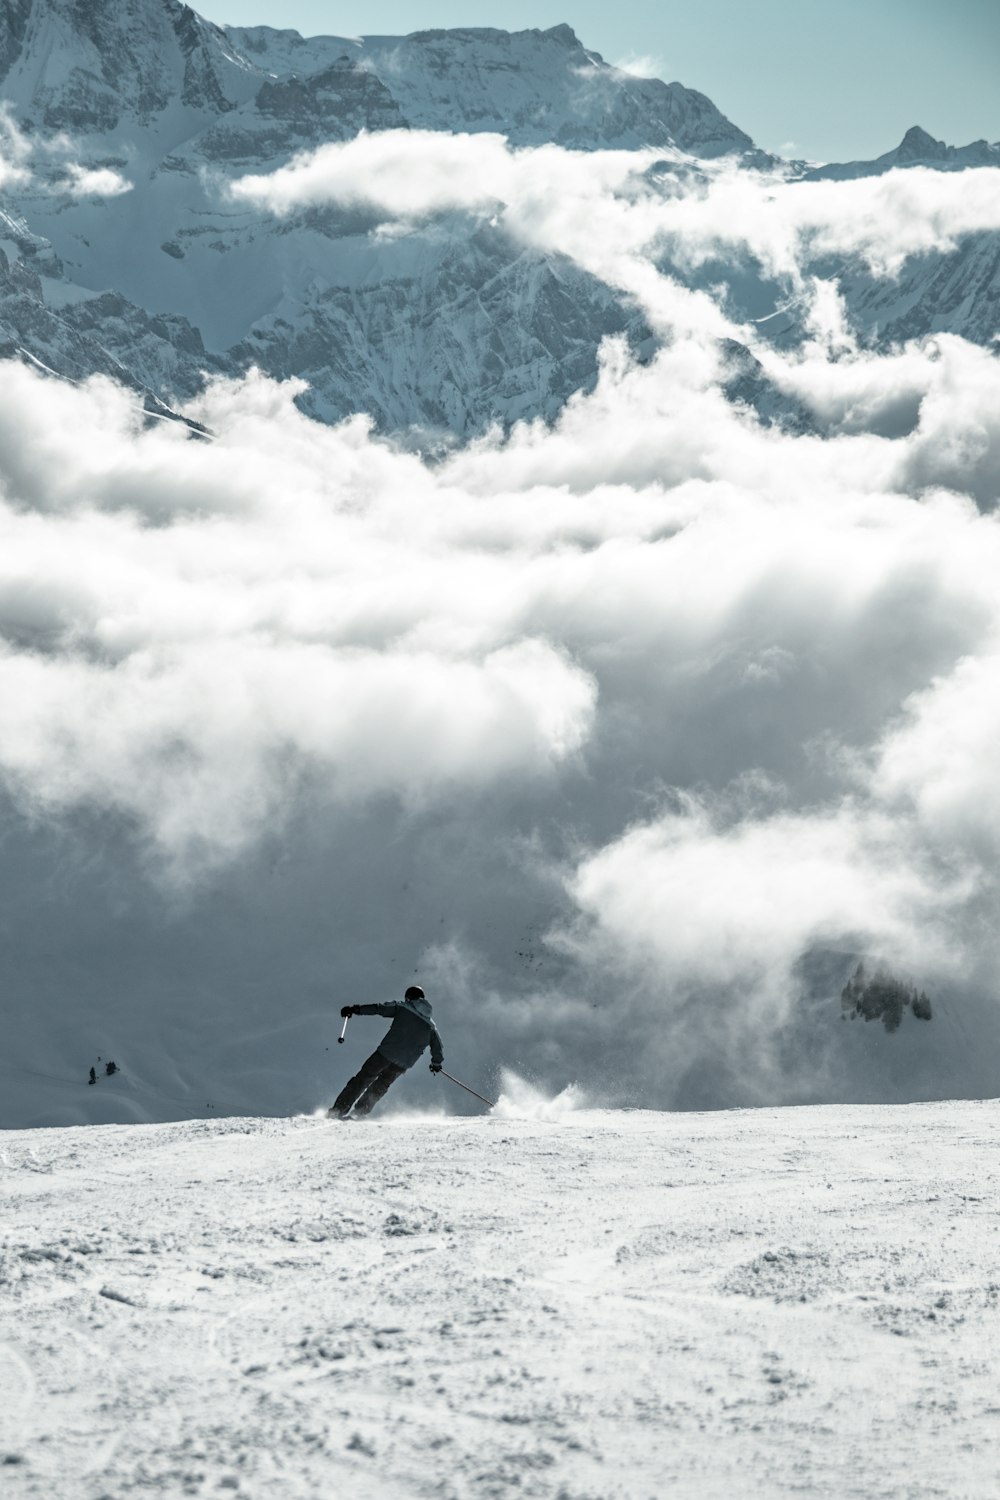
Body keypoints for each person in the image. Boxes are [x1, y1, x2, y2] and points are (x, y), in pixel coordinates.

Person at [329, 985, 444, 1118]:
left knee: (363, 1078)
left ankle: (338, 1110)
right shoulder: (431, 1026)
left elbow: (379, 1008)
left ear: (408, 998)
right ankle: (360, 1112)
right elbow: (438, 1047)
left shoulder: (403, 1007)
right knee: (381, 1085)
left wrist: (356, 1009)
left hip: (386, 1053)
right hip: (403, 1063)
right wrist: (436, 1063)